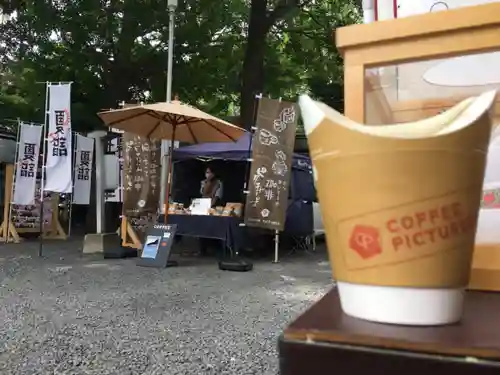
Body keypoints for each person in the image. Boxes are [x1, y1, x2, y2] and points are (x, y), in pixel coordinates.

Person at [199, 166, 224, 257]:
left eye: (209, 172)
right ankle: (203, 249)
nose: (207, 174)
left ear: (213, 173)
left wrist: (211, 205)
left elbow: (217, 196)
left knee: (214, 228)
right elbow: (202, 193)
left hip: (214, 208)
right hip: (203, 207)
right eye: (206, 172)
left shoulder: (218, 183)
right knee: (202, 228)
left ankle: (216, 248)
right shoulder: (203, 182)